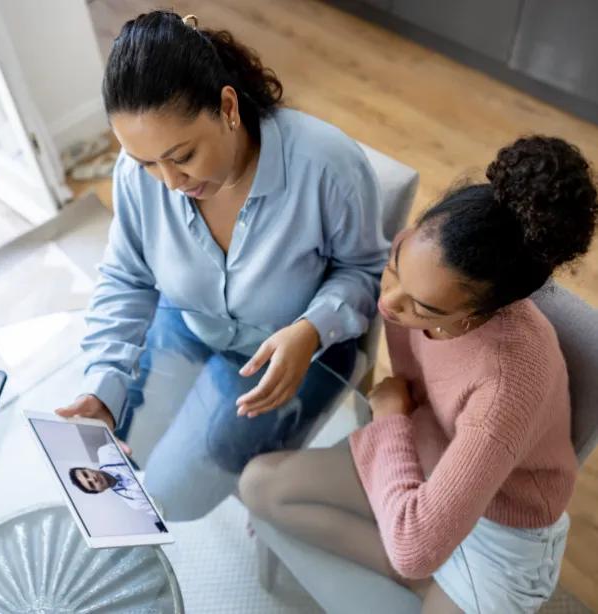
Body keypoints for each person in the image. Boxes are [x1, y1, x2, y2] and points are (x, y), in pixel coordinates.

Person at [239, 136, 598, 613]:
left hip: (500, 531)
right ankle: (425, 577)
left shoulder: (507, 383)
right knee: (260, 486)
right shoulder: (418, 267)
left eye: (423, 307)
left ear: (477, 313)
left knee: (414, 543)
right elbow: (415, 540)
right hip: (431, 458)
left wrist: (388, 419)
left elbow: (412, 545)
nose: (390, 302)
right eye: (394, 270)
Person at [56, 10, 389, 521]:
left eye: (182, 155)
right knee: (117, 446)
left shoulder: (327, 166)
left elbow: (365, 272)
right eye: (147, 162)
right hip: (188, 320)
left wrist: (310, 330)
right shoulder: (136, 175)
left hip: (289, 353)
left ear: (227, 107)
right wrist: (102, 380)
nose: (168, 182)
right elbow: (128, 275)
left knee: (171, 495)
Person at [69, 442, 160, 521]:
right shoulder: (134, 503)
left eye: (86, 474)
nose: (93, 479)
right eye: (91, 484)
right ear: (99, 491)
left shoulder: (106, 452)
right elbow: (162, 509)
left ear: (87, 468)